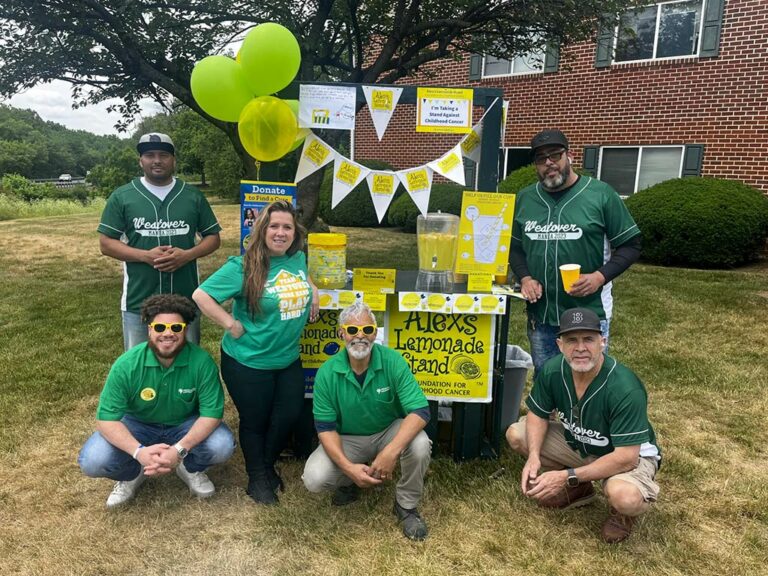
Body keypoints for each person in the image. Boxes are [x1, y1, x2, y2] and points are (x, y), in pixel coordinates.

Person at [193, 200, 319, 505]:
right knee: (256, 420)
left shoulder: (297, 258)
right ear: (261, 230)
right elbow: (201, 295)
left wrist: (313, 292)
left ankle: (265, 462)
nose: (280, 232)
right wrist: (230, 323)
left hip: (287, 357)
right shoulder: (243, 267)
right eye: (273, 226)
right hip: (248, 361)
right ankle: (257, 477)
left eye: (286, 227)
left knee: (287, 414)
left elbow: (303, 277)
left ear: (295, 232)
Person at [506, 307, 661, 543]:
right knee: (517, 434)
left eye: (588, 339)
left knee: (624, 496)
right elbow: (537, 414)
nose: (580, 348)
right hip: (581, 445)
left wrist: (564, 476)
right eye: (571, 340)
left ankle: (621, 514)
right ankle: (580, 488)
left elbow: (626, 457)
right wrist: (534, 456)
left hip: (627, 456)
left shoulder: (624, 387)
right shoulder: (553, 369)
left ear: (602, 342)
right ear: (560, 344)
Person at [78, 294, 235, 508]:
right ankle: (134, 472)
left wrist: (178, 450)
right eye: (160, 328)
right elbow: (106, 419)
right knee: (93, 460)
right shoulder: (127, 364)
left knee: (222, 445)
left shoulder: (202, 362)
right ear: (150, 329)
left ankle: (189, 467)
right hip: (137, 424)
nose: (168, 334)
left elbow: (212, 414)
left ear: (185, 330)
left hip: (184, 423)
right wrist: (138, 452)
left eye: (176, 328)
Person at [509, 129, 641, 375]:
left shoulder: (600, 194)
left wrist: (600, 277)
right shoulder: (525, 198)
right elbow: (515, 248)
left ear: (568, 156)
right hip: (542, 314)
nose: (549, 163)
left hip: (589, 313)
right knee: (546, 378)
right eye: (540, 158)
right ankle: (549, 416)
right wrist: (525, 277)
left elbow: (631, 244)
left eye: (555, 155)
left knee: (587, 381)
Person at [302, 301, 433, 541]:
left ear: (375, 333)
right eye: (352, 330)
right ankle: (350, 480)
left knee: (420, 444)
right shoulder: (327, 373)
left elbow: (420, 410)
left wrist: (390, 453)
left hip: (387, 431)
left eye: (367, 330)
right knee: (314, 478)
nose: (359, 337)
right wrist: (348, 468)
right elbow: (325, 429)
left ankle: (406, 505)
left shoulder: (393, 361)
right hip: (347, 438)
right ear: (341, 333)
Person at [97, 132, 222, 350]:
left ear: (173, 160)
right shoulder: (123, 196)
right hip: (139, 299)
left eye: (163, 155)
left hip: (185, 298)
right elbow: (106, 243)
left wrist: (187, 255)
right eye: (149, 155)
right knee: (138, 364)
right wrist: (145, 256)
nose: (157, 160)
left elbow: (213, 238)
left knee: (187, 363)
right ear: (141, 160)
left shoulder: (191, 195)